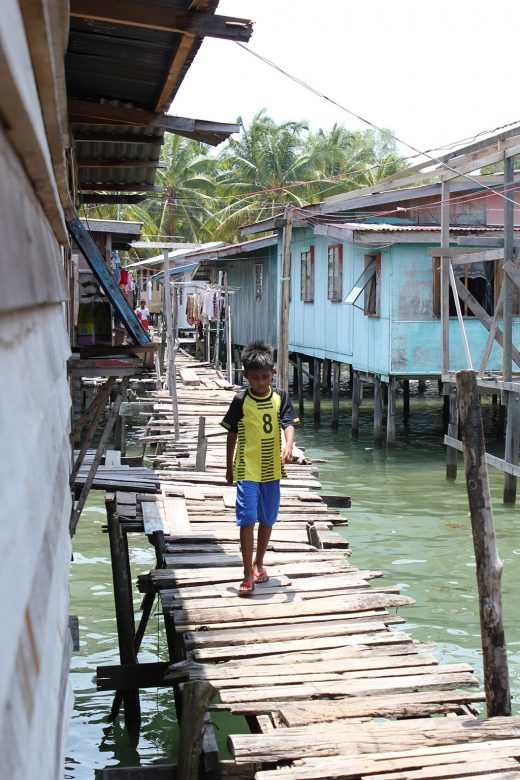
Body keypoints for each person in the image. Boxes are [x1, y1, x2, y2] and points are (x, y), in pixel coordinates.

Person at [221, 341, 300, 597]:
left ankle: (259, 563)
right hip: (246, 468)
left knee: (267, 519)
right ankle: (246, 573)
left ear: (273, 373)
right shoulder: (240, 400)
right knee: (247, 519)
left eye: (265, 377)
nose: (261, 382)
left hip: (272, 469)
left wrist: (289, 446)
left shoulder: (280, 397)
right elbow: (231, 434)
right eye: (255, 378)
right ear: (246, 376)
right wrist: (229, 467)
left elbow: (288, 424)